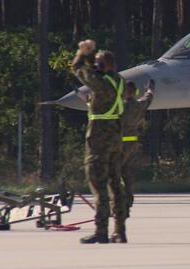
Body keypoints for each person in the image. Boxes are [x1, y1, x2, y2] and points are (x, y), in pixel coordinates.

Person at [71, 39, 125, 244]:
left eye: (97, 64)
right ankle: (120, 230)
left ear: (102, 67)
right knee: (116, 185)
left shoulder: (100, 83)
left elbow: (77, 69)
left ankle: (101, 231)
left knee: (98, 186)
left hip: (99, 141)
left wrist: (83, 52)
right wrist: (95, 58)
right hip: (116, 138)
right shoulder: (118, 80)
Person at [110, 80, 154, 243]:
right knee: (128, 178)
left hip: (119, 145)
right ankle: (127, 205)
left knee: (114, 178)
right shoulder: (140, 105)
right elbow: (148, 98)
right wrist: (150, 89)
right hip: (133, 145)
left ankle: (119, 208)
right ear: (135, 92)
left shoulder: (121, 106)